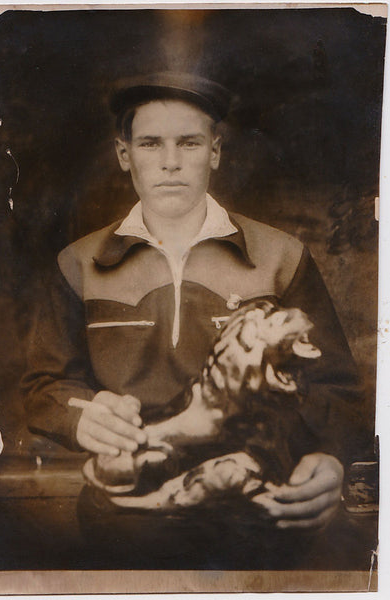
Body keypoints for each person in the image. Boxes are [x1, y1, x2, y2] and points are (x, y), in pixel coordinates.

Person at [21, 72, 367, 569]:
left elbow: (336, 387)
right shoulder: (79, 263)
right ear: (125, 155)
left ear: (215, 151)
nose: (169, 161)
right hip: (124, 523)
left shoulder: (281, 256)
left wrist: (330, 457)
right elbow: (43, 388)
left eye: (189, 142)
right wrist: (82, 416)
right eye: (149, 143)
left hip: (259, 521)